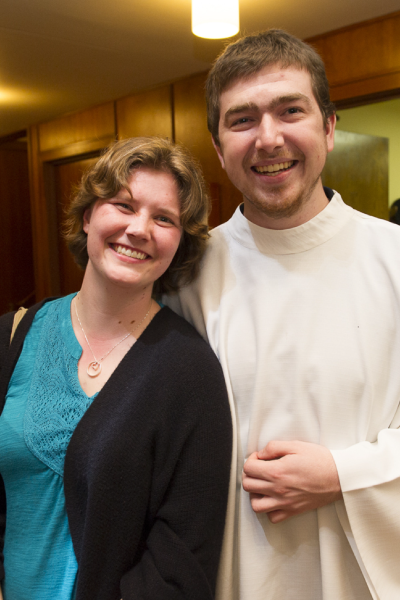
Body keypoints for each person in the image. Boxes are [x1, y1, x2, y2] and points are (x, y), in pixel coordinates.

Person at [165, 30, 400, 600]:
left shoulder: (393, 258)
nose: (268, 138)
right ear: (219, 150)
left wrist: (344, 476)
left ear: (328, 126)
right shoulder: (184, 276)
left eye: (290, 110)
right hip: (230, 577)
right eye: (241, 120)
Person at [0, 137, 232, 600]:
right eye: (123, 205)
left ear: (180, 241)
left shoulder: (191, 372)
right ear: (88, 216)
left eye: (164, 218)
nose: (139, 228)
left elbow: (181, 559)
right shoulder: (11, 337)